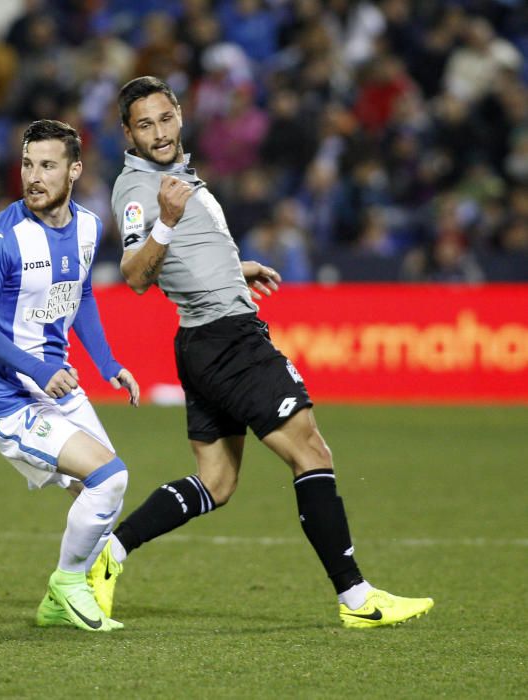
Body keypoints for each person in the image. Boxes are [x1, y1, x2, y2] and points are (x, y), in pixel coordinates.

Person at [90, 76, 434, 629]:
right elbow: (135, 275)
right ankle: (357, 598)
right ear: (127, 133)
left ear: (180, 115)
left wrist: (234, 269)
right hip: (229, 340)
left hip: (203, 340)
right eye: (144, 125)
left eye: (164, 118)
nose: (158, 132)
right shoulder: (139, 192)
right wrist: (169, 221)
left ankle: (111, 553)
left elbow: (185, 254)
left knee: (217, 483)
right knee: (312, 452)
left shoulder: (179, 176)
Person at [0, 119, 140, 632]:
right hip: (8, 402)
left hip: (59, 390)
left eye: (47, 165)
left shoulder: (87, 226)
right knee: (110, 478)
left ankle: (59, 601)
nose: (33, 176)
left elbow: (80, 294)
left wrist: (109, 365)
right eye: (27, 164)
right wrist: (40, 368)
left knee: (104, 492)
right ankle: (67, 582)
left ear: (74, 170)